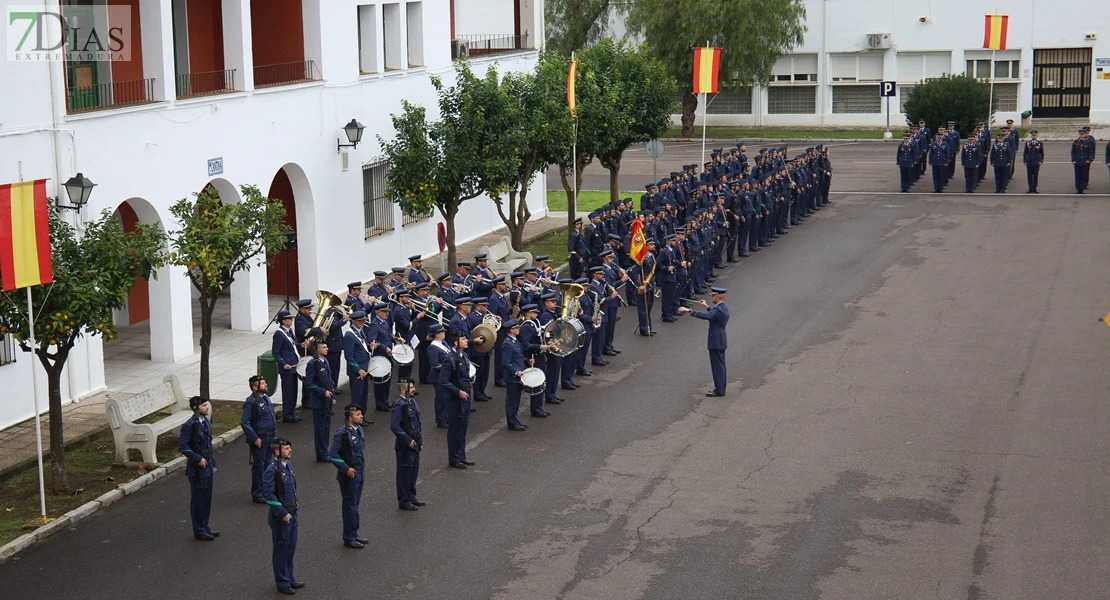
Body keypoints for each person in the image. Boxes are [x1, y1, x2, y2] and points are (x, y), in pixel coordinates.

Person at [262, 438, 304, 595]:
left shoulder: (287, 466)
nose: (290, 450)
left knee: (290, 548)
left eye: (290, 447)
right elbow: (268, 495)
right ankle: (282, 582)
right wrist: (283, 513)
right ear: (277, 452)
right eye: (287, 448)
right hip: (282, 518)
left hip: (292, 514)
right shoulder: (271, 470)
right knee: (281, 550)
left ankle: (289, 577)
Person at [678, 287, 730, 397]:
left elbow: (708, 316)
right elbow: (714, 313)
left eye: (713, 295)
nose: (712, 297)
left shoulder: (718, 310)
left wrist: (689, 311)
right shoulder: (722, 308)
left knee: (717, 367)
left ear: (718, 296)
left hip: (715, 341)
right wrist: (706, 306)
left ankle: (719, 390)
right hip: (720, 340)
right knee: (720, 366)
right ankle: (721, 388)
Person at [179, 395, 218, 541]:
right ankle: (199, 529)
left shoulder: (205, 421)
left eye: (206, 405)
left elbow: (209, 445)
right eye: (203, 406)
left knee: (206, 499)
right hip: (197, 468)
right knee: (198, 500)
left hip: (207, 466)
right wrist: (198, 459)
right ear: (195, 408)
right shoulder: (190, 425)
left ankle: (205, 526)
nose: (206, 408)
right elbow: (183, 446)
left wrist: (213, 464)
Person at [328, 405, 367, 547]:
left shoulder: (358, 430)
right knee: (350, 506)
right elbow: (332, 454)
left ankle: (354, 534)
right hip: (349, 476)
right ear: (350, 418)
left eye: (361, 413)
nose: (361, 416)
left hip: (359, 472)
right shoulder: (343, 433)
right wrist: (346, 469)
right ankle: (349, 537)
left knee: (355, 505)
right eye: (357, 415)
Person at [439, 333, 475, 468]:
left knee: (463, 428)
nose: (467, 341)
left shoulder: (463, 355)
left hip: (465, 396)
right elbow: (443, 381)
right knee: (455, 430)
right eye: (463, 339)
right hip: (454, 399)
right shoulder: (450, 359)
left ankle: (461, 455)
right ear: (455, 343)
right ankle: (454, 458)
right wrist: (458, 391)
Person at [242, 375, 278, 504]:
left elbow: (271, 418)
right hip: (260, 439)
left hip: (270, 437)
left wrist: (275, 436)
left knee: (268, 465)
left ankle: (266, 490)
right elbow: (245, 422)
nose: (266, 384)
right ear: (255, 387)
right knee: (259, 467)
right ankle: (257, 493)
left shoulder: (266, 398)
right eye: (263, 383)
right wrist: (255, 438)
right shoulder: (251, 402)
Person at [390, 378, 425, 510]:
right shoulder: (399, 404)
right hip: (405, 445)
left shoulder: (412, 402)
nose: (414, 390)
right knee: (404, 472)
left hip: (414, 442)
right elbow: (394, 426)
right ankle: (404, 500)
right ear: (403, 389)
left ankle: (411, 496)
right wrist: (407, 440)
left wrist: (419, 441)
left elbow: (417, 424)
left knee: (413, 471)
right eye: (411, 388)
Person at [304, 336, 338, 461]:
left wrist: (332, 395)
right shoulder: (313, 363)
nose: (327, 349)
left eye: (326, 347)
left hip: (327, 400)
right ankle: (321, 454)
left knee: (326, 428)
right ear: (317, 350)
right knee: (320, 429)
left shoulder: (325, 361)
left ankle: (325, 451)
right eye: (324, 347)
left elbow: (329, 381)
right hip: (319, 401)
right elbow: (309, 383)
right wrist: (323, 392)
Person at [272, 311, 301, 423]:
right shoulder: (279, 333)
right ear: (284, 321)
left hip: (293, 366)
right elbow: (276, 352)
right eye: (289, 319)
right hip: (287, 367)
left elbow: (292, 346)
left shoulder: (289, 331)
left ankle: (291, 413)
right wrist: (284, 364)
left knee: (294, 391)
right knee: (288, 392)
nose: (292, 320)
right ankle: (287, 415)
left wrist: (301, 345)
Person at [500, 320, 529, 431]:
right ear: (511, 330)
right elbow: (505, 362)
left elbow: (518, 357)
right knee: (512, 401)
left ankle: (515, 419)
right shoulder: (507, 343)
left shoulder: (515, 341)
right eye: (517, 328)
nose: (519, 329)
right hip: (512, 377)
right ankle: (511, 423)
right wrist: (516, 372)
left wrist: (527, 361)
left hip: (519, 375)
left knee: (517, 400)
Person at [343, 310, 373, 417]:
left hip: (364, 370)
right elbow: (349, 357)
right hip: (357, 372)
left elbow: (363, 346)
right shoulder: (349, 336)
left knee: (364, 395)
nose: (363, 322)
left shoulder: (360, 331)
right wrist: (358, 369)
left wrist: (370, 346)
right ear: (355, 322)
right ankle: (355, 417)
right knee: (357, 397)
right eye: (361, 321)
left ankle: (362, 416)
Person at [1072, 129, 1094, 193]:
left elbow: (1090, 151)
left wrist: (1089, 159)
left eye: (1082, 134)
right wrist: (1073, 160)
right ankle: (1078, 189)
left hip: (1084, 161)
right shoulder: (1075, 142)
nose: (1081, 135)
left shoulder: (1088, 142)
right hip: (1077, 161)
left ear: (1084, 135)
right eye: (1080, 134)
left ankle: (1081, 188)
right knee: (1077, 176)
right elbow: (1073, 152)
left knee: (1083, 175)